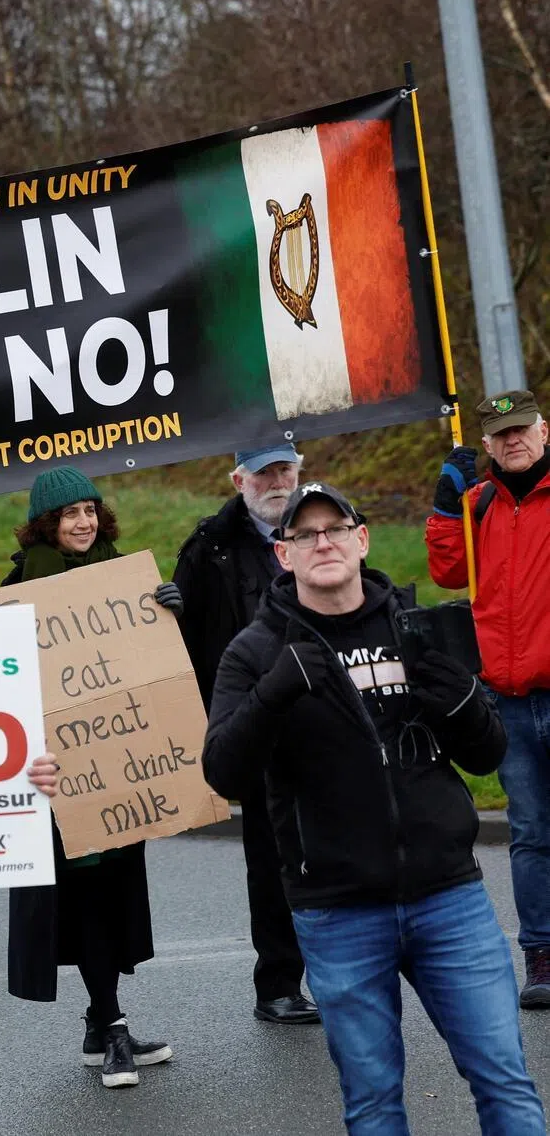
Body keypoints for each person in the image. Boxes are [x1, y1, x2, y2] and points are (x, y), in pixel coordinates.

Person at [203, 482, 544, 1135]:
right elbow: (224, 772)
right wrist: (272, 697)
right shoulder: (255, 651)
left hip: (450, 899)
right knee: (374, 1103)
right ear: (284, 554)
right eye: (306, 534)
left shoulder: (416, 629)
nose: (323, 542)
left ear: (363, 539)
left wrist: (463, 703)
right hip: (337, 912)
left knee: (505, 1082)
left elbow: (487, 753)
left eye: (337, 528)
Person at [1, 466, 177, 1090]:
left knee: (113, 897)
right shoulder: (19, 589)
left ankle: (98, 1023)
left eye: (90, 510)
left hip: (121, 769)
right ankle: (113, 1026)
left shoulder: (127, 579)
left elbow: (160, 673)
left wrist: (170, 615)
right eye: (69, 513)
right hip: (61, 778)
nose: (83, 522)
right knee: (89, 899)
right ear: (46, 524)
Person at [171, 443, 318, 1026]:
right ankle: (278, 984)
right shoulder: (208, 548)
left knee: (338, 852)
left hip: (327, 723)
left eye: (286, 469)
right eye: (264, 472)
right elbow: (177, 647)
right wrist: (168, 608)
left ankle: (342, 976)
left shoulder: (324, 525)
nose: (277, 481)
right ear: (239, 480)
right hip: (255, 728)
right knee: (272, 861)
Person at [426, 389, 550, 1009]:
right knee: (530, 832)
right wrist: (447, 508)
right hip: (508, 699)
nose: (513, 441)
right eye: (501, 435)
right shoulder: (478, 505)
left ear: (543, 430)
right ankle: (542, 955)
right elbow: (448, 571)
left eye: (522, 429)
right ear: (488, 445)